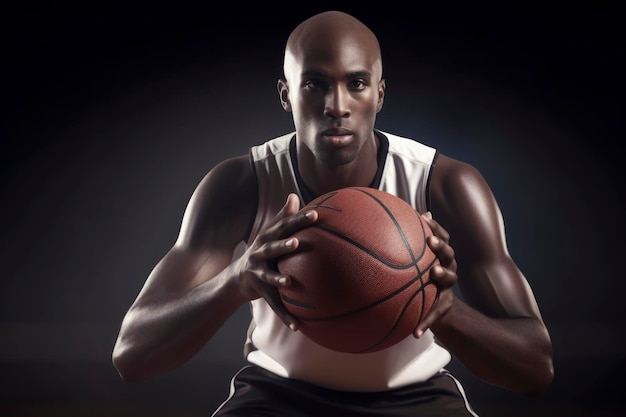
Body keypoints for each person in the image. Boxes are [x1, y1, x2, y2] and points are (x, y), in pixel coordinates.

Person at [112, 10, 554, 416]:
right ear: (286, 95)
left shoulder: (445, 184)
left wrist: (447, 313)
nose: (336, 105)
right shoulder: (242, 184)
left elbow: (534, 369)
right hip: (277, 394)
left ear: (379, 94)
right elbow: (133, 355)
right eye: (315, 83)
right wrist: (237, 279)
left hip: (417, 397)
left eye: (356, 84)